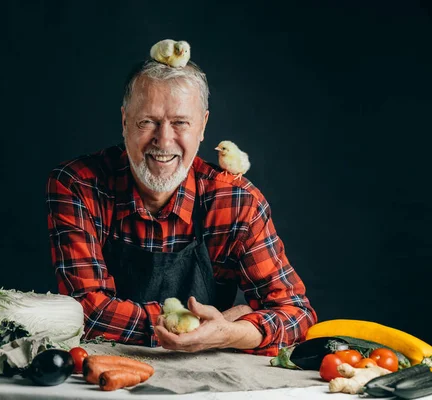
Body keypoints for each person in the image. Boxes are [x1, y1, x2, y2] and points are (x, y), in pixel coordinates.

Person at [46, 55, 317, 356]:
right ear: (125, 122)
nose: (164, 140)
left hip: (206, 378)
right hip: (105, 372)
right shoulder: (79, 185)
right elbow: (85, 311)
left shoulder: (237, 202)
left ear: (202, 126)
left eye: (180, 123)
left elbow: (296, 315)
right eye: (147, 122)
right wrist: (193, 324)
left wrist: (230, 332)